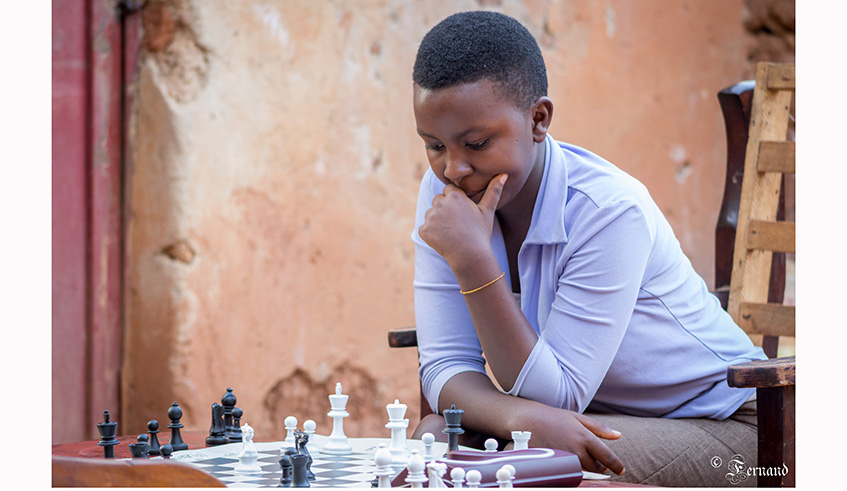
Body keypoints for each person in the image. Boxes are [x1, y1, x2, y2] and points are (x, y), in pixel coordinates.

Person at [408, 10, 766, 487]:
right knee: (436, 438)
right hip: (591, 421)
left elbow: (556, 401)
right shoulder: (445, 199)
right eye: (433, 146)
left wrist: (474, 262)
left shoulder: (609, 210)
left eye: (476, 143)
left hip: (735, 433)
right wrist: (520, 421)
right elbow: (445, 368)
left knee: (526, 462)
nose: (453, 169)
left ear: (538, 119)